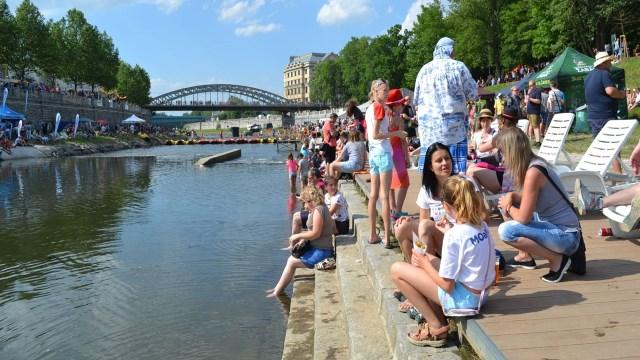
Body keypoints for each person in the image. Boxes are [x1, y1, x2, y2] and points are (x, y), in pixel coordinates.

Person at [390, 176, 495, 348]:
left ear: (446, 206)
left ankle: (436, 326)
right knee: (428, 260)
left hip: (464, 301)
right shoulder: (480, 225)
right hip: (480, 295)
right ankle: (435, 315)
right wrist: (443, 235)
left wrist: (424, 264)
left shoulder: (455, 236)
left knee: (397, 270)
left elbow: (447, 286)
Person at [496, 127, 581, 283]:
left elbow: (523, 218)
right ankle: (524, 256)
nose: (500, 158)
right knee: (508, 203)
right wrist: (512, 196)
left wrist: (507, 206)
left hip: (566, 237)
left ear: (511, 152)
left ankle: (556, 260)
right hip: (558, 229)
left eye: (501, 152)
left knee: (506, 231)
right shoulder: (534, 164)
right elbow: (532, 197)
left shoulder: (533, 172)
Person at [413, 37, 478, 175]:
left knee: (432, 175)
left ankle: (432, 195)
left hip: (429, 133)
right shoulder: (458, 66)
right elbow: (473, 93)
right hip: (453, 132)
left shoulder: (423, 70)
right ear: (450, 50)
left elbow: (416, 101)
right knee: (455, 174)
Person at [267, 186, 335, 297]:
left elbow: (316, 233)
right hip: (317, 248)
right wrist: (302, 239)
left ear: (310, 200)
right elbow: (312, 231)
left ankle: (277, 292)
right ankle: (277, 289)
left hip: (323, 251)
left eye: (305, 202)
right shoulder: (318, 208)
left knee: (291, 262)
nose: (304, 206)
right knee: (292, 259)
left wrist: (297, 235)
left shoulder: (319, 210)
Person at [366, 79, 406, 248]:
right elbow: (376, 134)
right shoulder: (379, 107)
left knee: (374, 195)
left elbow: (371, 134)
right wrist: (397, 132)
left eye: (387, 90)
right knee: (384, 195)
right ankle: (387, 238)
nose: (386, 93)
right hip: (382, 153)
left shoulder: (369, 109)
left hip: (374, 154)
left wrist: (388, 129)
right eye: (384, 90)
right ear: (375, 92)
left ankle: (373, 234)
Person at [585, 51, 627, 173]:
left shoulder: (588, 77)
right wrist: (622, 94)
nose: (611, 63)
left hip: (593, 116)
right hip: (606, 115)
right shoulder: (604, 74)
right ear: (603, 63)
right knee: (613, 147)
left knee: (599, 148)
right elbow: (610, 91)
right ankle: (618, 176)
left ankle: (597, 175)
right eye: (609, 61)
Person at [387, 89, 411, 219]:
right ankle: (398, 210)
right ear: (396, 105)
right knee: (404, 182)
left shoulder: (386, 118)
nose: (402, 106)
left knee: (390, 183)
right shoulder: (399, 120)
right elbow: (403, 141)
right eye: (401, 104)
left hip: (388, 152)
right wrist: (407, 157)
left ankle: (393, 208)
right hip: (397, 153)